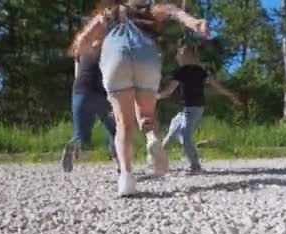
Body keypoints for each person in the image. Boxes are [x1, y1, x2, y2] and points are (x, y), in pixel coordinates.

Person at [71, 0, 208, 196]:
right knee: (146, 114)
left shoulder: (111, 11)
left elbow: (83, 41)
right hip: (147, 55)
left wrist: (85, 47)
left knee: (123, 123)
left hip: (115, 56)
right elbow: (172, 10)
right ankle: (151, 138)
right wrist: (195, 23)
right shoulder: (149, 10)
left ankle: (126, 179)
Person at [157, 45, 242, 174]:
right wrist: (231, 96)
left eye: (180, 54)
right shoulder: (194, 71)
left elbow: (169, 91)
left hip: (194, 109)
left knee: (185, 135)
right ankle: (159, 158)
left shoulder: (189, 71)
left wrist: (155, 97)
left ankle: (195, 166)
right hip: (187, 110)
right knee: (173, 127)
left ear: (188, 56)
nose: (177, 57)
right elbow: (217, 86)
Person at [62, 37, 118, 173]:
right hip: (101, 93)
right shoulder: (108, 47)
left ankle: (71, 146)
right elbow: (112, 73)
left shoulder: (80, 49)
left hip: (80, 90)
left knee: (81, 134)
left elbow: (77, 74)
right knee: (114, 129)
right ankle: (119, 162)